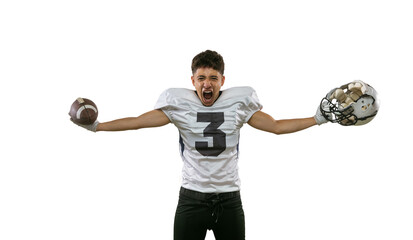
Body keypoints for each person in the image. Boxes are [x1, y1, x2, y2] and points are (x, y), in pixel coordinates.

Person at [71, 50, 329, 240]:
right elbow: (138, 122)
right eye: (202, 77)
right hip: (191, 198)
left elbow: (276, 126)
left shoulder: (238, 104)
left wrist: (317, 119)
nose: (208, 83)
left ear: (223, 81)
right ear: (192, 80)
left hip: (229, 200)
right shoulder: (178, 104)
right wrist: (98, 126)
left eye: (213, 78)